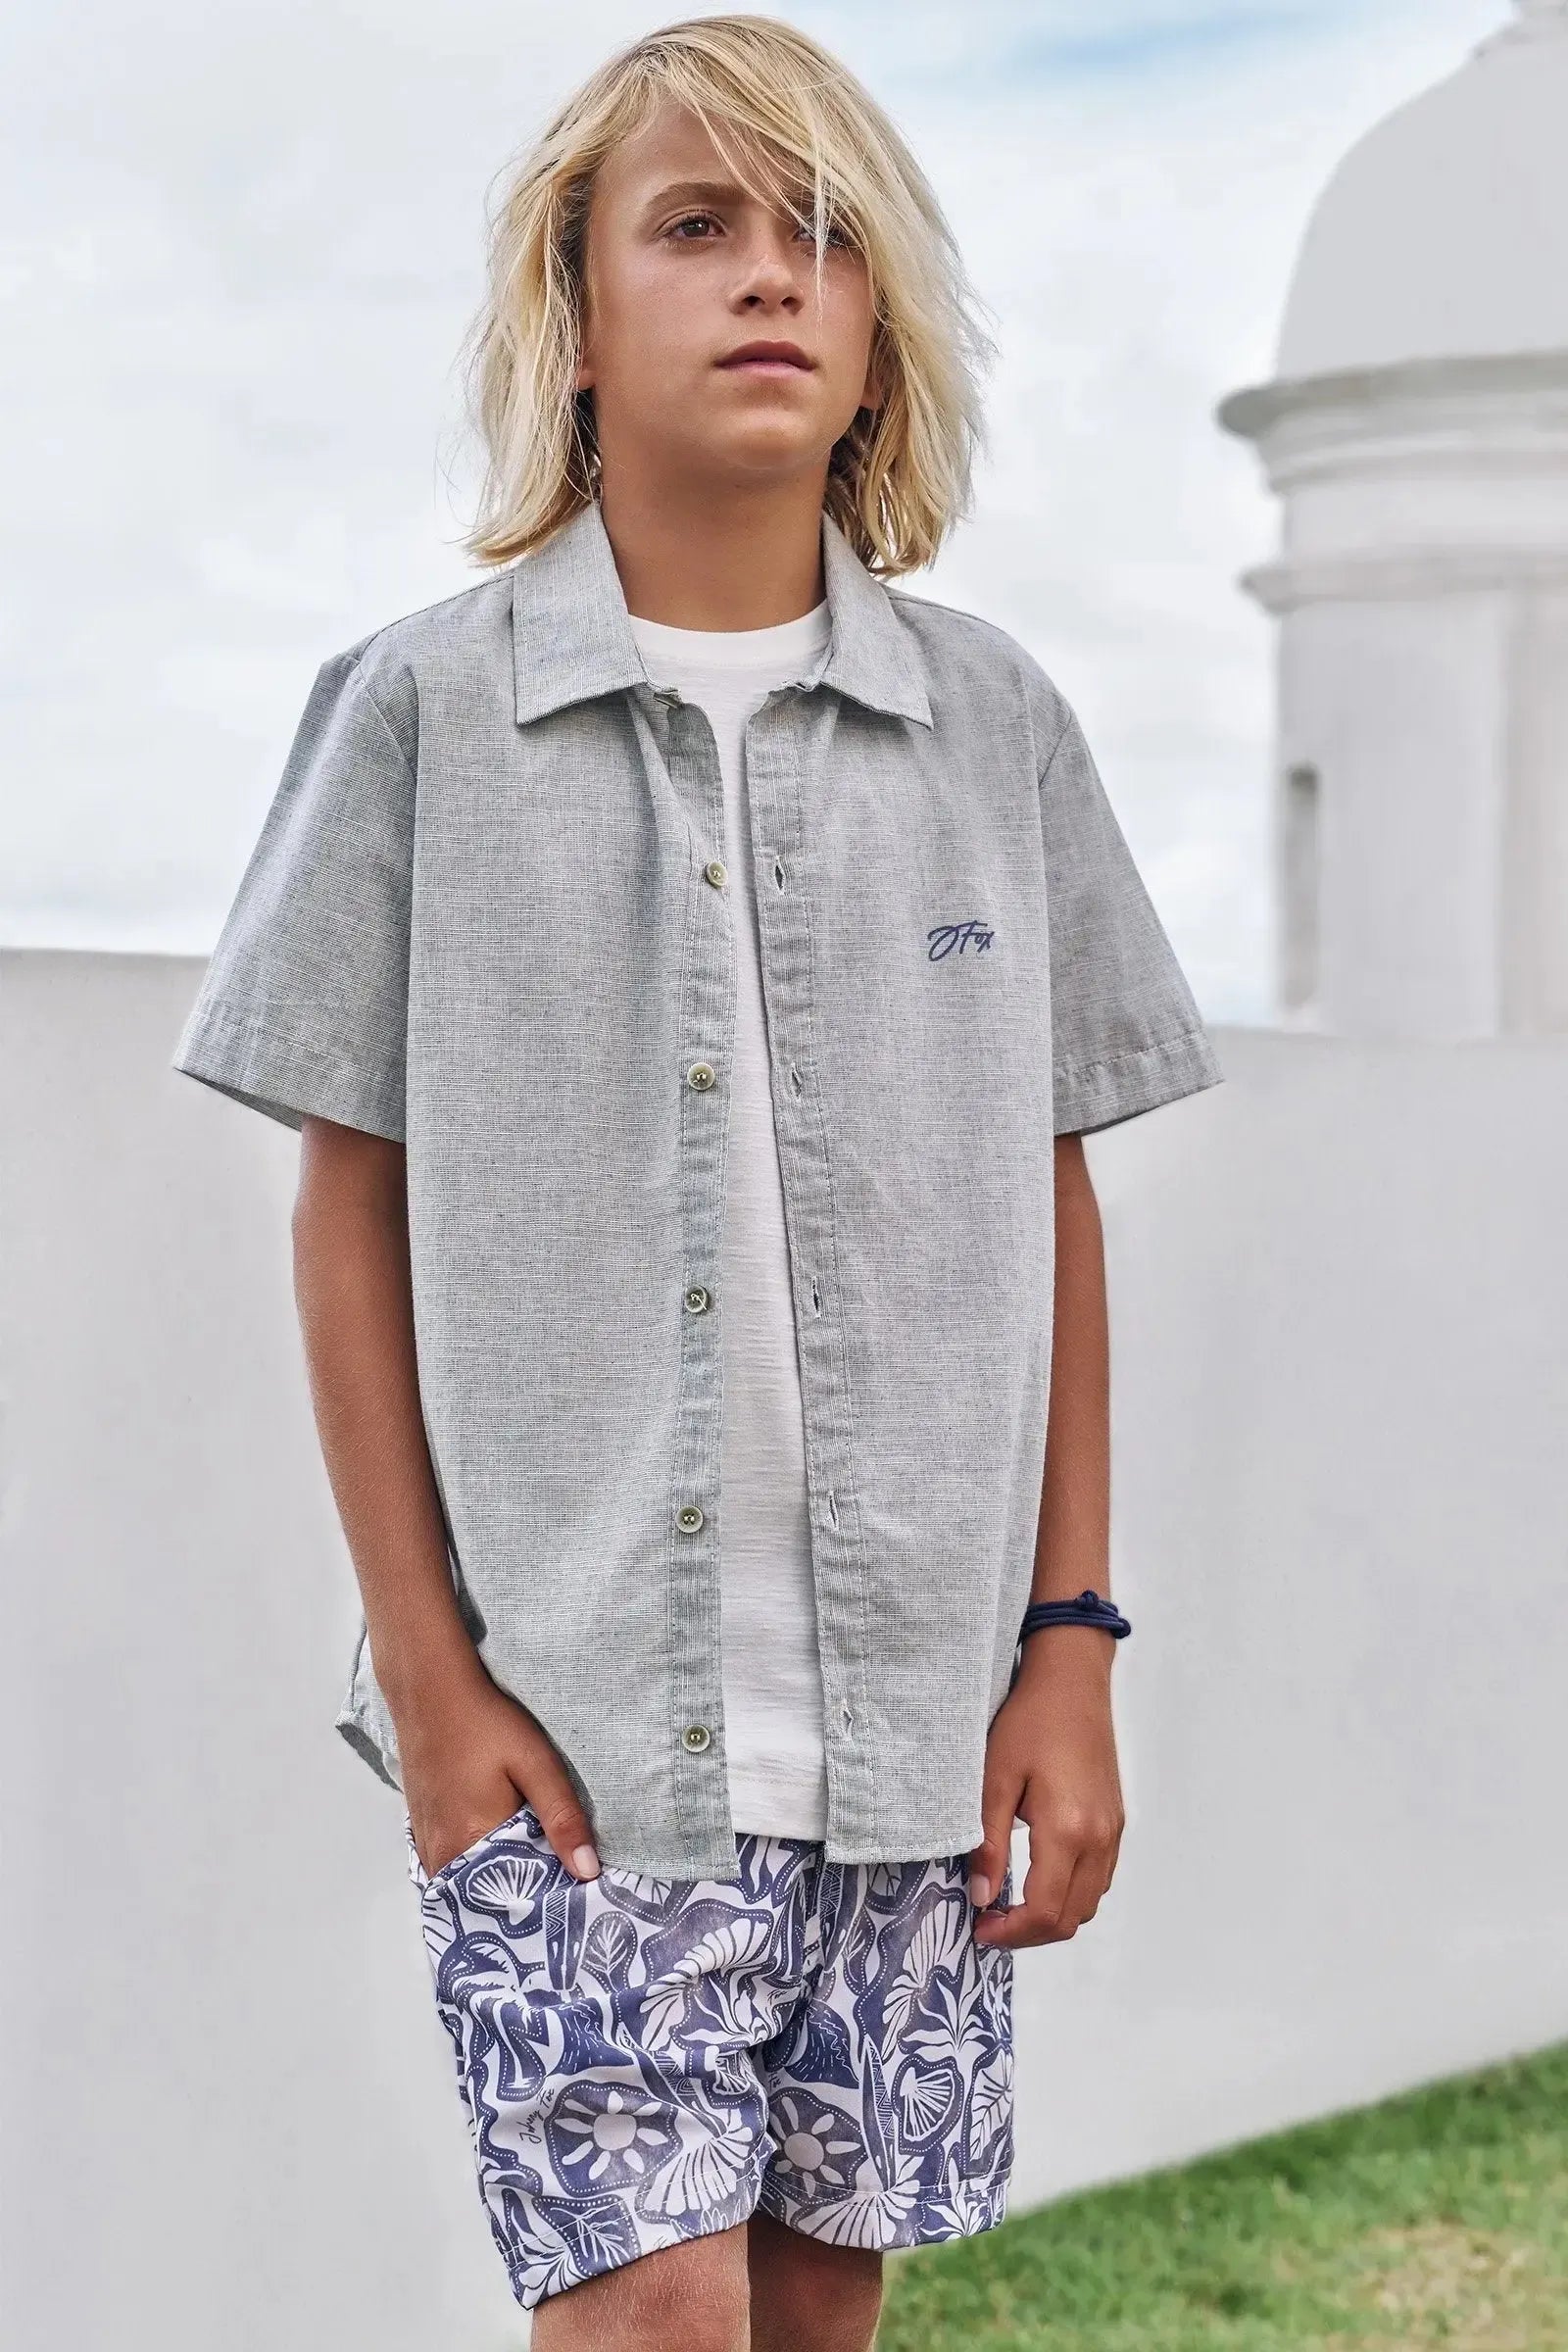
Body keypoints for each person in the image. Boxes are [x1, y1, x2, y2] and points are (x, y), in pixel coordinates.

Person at [172, 15, 1223, 2348]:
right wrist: (428, 1677)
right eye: (695, 225)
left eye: (823, 238)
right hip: (567, 1736)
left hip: (917, 1731)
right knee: (648, 2314)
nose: (769, 275)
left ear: (879, 336)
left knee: (815, 2315)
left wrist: (1067, 1647)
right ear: (572, 319)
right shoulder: (420, 715)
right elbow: (347, 1207)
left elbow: (1047, 1201)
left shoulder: (994, 729)